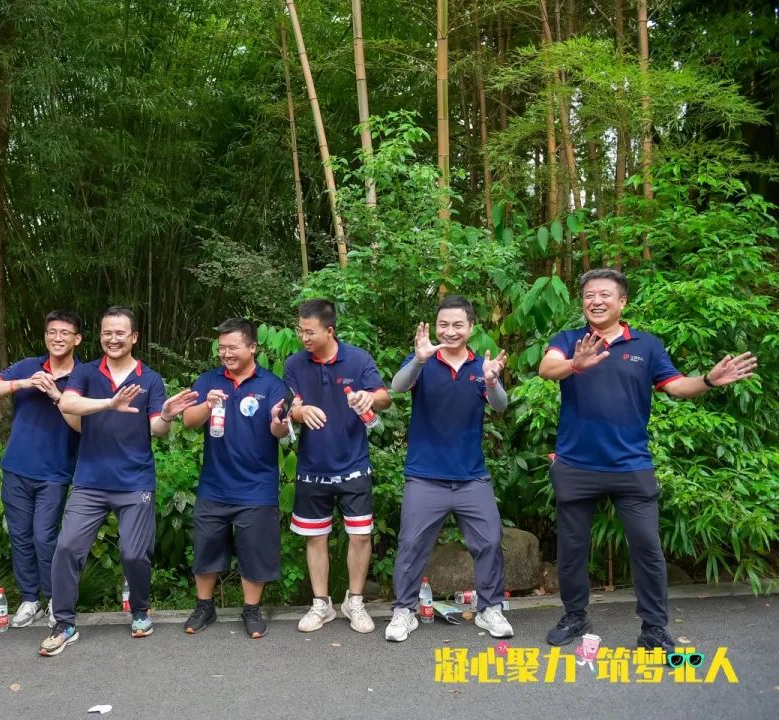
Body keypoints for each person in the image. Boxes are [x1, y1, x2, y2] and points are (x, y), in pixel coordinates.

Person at [538, 268, 758, 652]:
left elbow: (675, 387)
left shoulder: (647, 346)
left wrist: (707, 380)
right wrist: (575, 364)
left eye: (605, 294)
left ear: (622, 302)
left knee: (647, 547)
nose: (596, 300)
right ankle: (575, 615)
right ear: (582, 302)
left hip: (631, 465)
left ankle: (654, 627)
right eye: (589, 294)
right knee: (572, 549)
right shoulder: (569, 340)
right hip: (576, 465)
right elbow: (546, 369)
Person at [39, 307, 199, 656]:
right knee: (67, 547)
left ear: (134, 337)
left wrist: (169, 415)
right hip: (90, 480)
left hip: (135, 480)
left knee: (134, 554)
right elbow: (67, 401)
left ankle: (140, 610)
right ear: (100, 335)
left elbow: (157, 427)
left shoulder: (150, 379)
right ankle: (64, 622)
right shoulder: (84, 373)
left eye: (120, 333)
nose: (113, 339)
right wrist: (109, 403)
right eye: (107, 332)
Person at [384, 295, 513, 643]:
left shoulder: (480, 367)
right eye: (444, 324)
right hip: (425, 475)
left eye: (458, 324)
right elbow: (396, 387)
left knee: (489, 542)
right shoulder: (423, 361)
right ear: (435, 326)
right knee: (411, 544)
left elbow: (501, 406)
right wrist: (418, 360)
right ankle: (404, 611)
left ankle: (490, 609)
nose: (450, 330)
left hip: (471, 476)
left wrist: (491, 381)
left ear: (471, 327)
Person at [284, 299, 392, 634]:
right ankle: (321, 605)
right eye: (300, 330)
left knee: (360, 535)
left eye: (310, 331)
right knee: (315, 537)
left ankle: (354, 601)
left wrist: (368, 398)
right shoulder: (294, 364)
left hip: (354, 464)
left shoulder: (358, 359)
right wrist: (299, 413)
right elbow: (290, 405)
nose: (304, 337)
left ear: (330, 330)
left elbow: (385, 396)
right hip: (312, 465)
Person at [181, 318, 291, 639]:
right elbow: (188, 420)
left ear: (253, 346)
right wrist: (207, 403)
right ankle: (205, 606)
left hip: (257, 486)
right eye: (222, 347)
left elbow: (280, 429)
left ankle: (251, 609)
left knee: (254, 550)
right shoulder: (208, 380)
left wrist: (278, 421)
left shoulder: (271, 384)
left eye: (233, 347)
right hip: (214, 484)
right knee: (206, 548)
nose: (226, 353)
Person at [0, 310, 83, 628]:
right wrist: (23, 383)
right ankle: (28, 599)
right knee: (20, 537)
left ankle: (54, 600)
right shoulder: (28, 366)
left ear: (77, 339)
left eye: (65, 332)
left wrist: (57, 395)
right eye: (52, 331)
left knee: (45, 537)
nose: (58, 337)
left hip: (55, 471)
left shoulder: (84, 376)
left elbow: (85, 425)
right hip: (17, 468)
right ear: (45, 336)